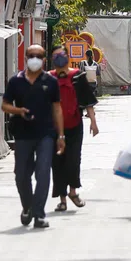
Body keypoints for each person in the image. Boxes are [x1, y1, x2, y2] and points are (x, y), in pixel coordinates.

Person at [1, 45, 65, 229]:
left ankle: (39, 214)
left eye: (39, 56)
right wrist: (18, 111)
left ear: (44, 59)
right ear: (26, 57)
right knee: (21, 175)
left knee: (43, 172)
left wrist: (61, 135)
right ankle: (27, 206)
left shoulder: (51, 82)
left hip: (45, 134)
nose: (35, 59)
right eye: (31, 55)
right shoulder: (16, 81)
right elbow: (5, 105)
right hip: (22, 134)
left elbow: (57, 108)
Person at [49, 47, 99, 211]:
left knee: (73, 159)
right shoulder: (49, 78)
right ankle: (62, 199)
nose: (59, 58)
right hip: (54, 128)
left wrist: (93, 121)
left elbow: (88, 100)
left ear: (68, 57)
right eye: (56, 56)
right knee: (57, 162)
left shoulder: (78, 75)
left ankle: (73, 192)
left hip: (75, 124)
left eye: (62, 55)